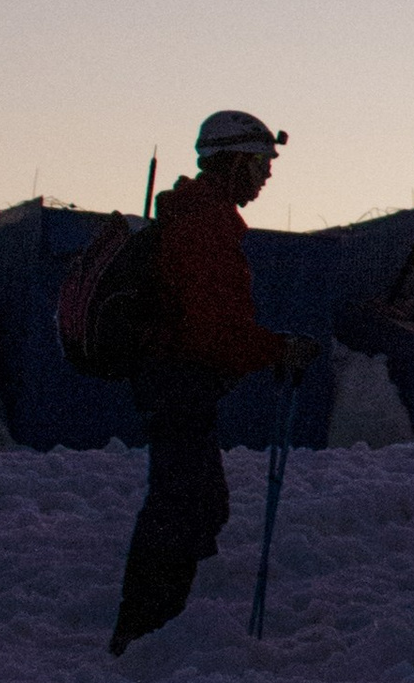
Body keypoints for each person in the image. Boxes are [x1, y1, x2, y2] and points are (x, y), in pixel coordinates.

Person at [109, 109, 312, 654]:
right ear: (235, 162)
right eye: (263, 161)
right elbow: (210, 330)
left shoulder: (197, 219)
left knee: (189, 502)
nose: (268, 173)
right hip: (179, 382)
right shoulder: (205, 226)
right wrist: (278, 350)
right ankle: (145, 633)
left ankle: (148, 628)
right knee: (185, 505)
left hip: (172, 381)